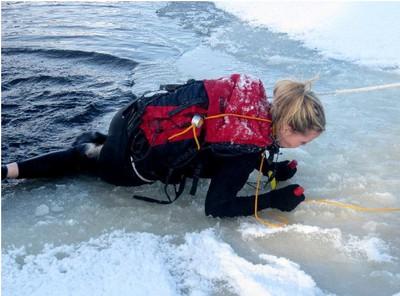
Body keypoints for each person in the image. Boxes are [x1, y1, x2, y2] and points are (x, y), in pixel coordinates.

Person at [2, 74, 325, 218]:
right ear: (285, 125)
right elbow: (218, 208)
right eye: (303, 140)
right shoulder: (245, 147)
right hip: (126, 166)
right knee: (82, 156)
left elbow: (219, 140)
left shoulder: (250, 108)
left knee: (95, 144)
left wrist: (271, 168)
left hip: (133, 120)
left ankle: (95, 142)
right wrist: (276, 199)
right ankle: (8, 171)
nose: (300, 146)